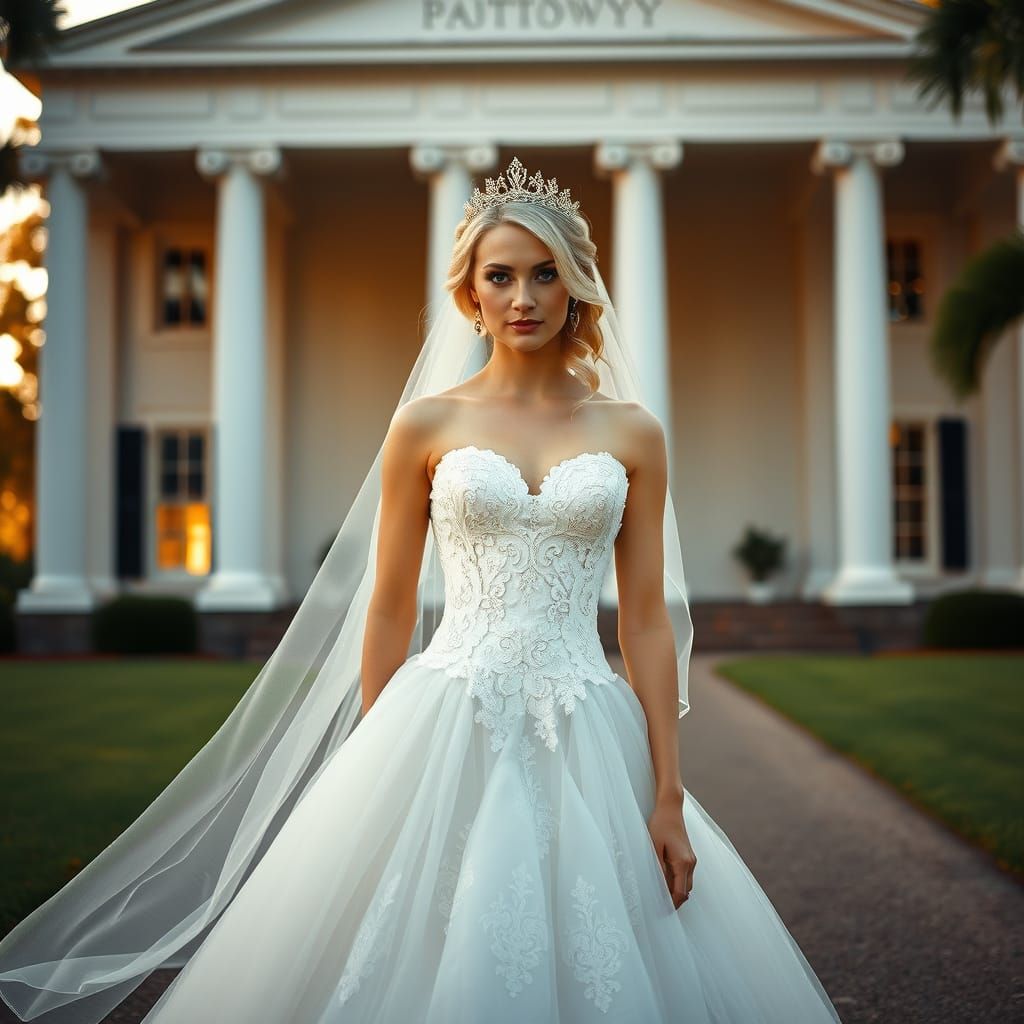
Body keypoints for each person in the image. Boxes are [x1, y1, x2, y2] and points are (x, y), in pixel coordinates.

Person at [0, 157, 841, 1022]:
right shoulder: (426, 425)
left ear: (576, 288)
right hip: (446, 709)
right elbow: (392, 604)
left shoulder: (632, 433)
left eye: (545, 274)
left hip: (589, 721)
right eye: (501, 276)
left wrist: (666, 793)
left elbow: (646, 622)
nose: (524, 296)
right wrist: (372, 760)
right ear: (471, 294)